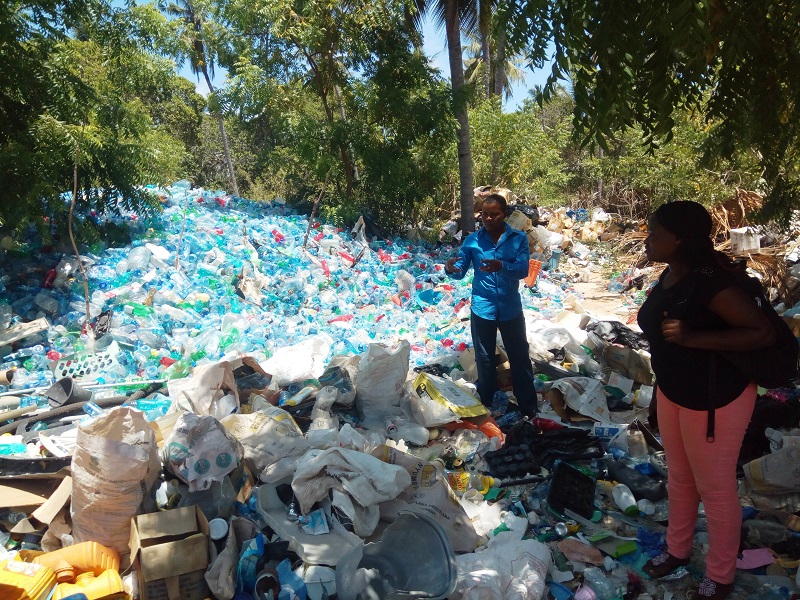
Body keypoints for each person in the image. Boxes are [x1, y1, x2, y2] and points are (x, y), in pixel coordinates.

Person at [637, 201, 775, 599]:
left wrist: (694, 337)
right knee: (679, 479)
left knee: (714, 489)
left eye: (654, 233)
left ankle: (720, 574)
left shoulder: (713, 282)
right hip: (675, 391)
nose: (647, 239)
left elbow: (761, 332)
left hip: (716, 399)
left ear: (679, 238)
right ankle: (676, 550)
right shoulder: (671, 275)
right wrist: (658, 394)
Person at [444, 194, 538, 417]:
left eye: (494, 214)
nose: (488, 218)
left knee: (519, 357)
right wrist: (450, 268)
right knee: (484, 359)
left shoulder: (518, 239)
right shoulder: (472, 241)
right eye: (484, 214)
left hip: (510, 308)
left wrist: (501, 266)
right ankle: (488, 406)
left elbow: (523, 270)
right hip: (482, 308)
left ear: (504, 214)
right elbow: (460, 271)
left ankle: (528, 408)